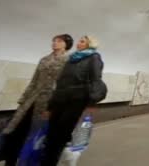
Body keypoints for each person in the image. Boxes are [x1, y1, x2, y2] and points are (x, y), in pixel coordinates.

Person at [1, 34, 73, 166]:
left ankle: (30, 162)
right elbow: (34, 81)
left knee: (37, 136)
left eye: (58, 41)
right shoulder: (44, 59)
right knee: (17, 133)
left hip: (48, 103)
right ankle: (10, 162)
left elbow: (65, 86)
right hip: (31, 101)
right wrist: (23, 99)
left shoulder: (69, 61)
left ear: (66, 44)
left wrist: (56, 107)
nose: (54, 43)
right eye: (54, 41)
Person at [42, 35, 106, 166]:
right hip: (60, 99)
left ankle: (52, 162)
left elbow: (96, 80)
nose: (78, 43)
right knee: (51, 135)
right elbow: (60, 83)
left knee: (61, 135)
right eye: (79, 41)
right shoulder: (71, 59)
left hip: (76, 100)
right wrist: (50, 106)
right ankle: (50, 161)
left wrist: (91, 103)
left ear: (90, 44)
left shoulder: (94, 57)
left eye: (82, 41)